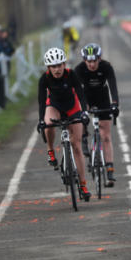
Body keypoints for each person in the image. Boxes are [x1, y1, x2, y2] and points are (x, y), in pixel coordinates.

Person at [37, 47, 91, 200]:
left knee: (77, 146)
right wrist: (41, 120)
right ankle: (50, 151)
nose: (57, 69)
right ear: (48, 68)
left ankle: (83, 185)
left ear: (64, 64)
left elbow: (80, 93)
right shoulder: (45, 79)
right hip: (54, 106)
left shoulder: (70, 74)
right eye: (53, 66)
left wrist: (84, 112)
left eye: (60, 65)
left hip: (72, 107)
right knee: (48, 124)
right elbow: (41, 101)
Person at [74, 43, 120, 187]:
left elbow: (113, 85)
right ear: (84, 60)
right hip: (85, 96)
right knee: (82, 116)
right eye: (89, 61)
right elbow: (76, 91)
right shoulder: (79, 70)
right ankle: (84, 138)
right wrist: (82, 109)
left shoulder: (106, 67)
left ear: (99, 59)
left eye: (95, 61)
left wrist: (115, 104)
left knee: (105, 136)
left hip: (102, 97)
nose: (92, 64)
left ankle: (110, 169)